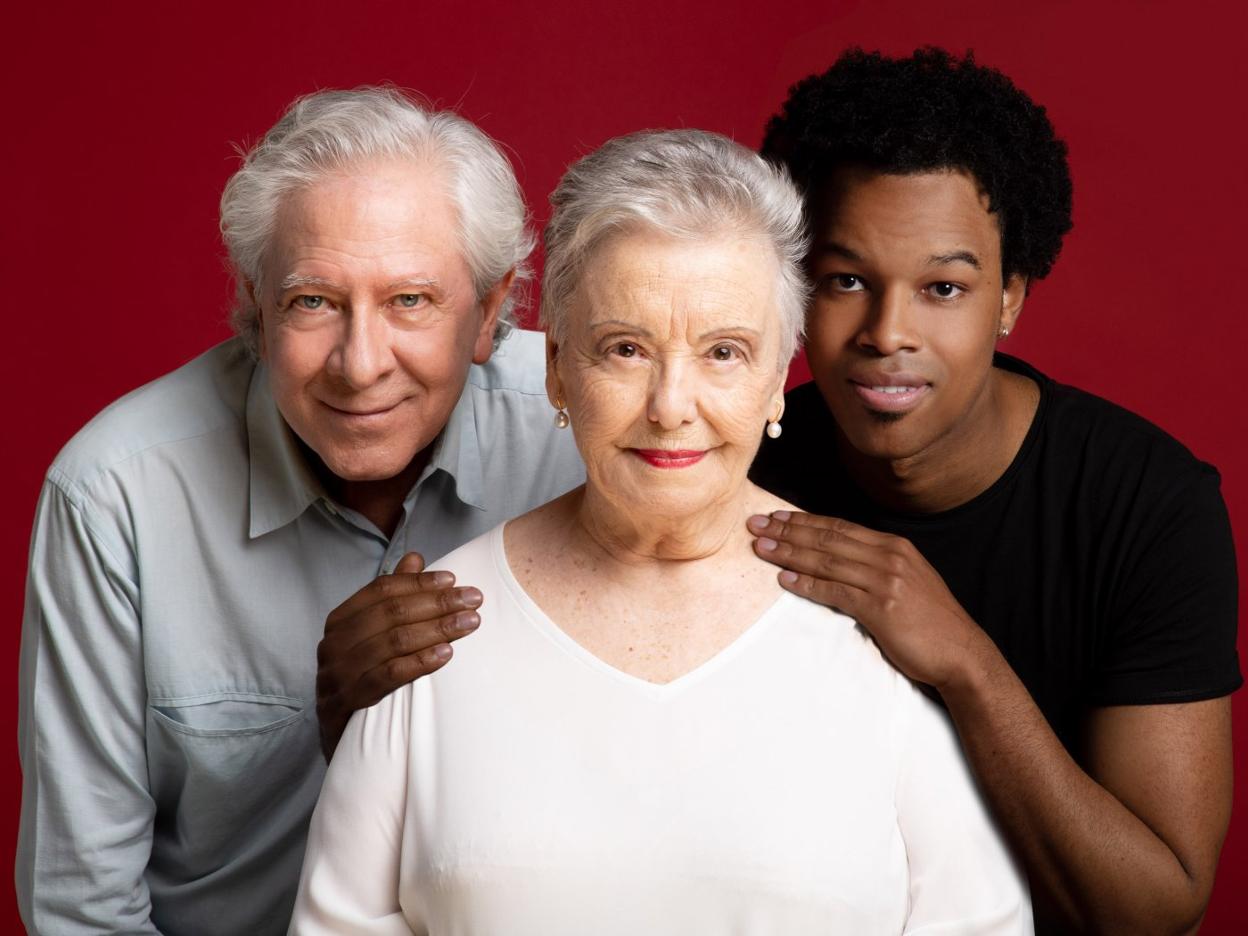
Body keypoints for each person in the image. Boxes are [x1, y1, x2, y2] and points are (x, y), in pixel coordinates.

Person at [287, 129, 1031, 934]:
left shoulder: (879, 637)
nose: (671, 406)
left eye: (724, 352)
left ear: (778, 379)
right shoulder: (433, 639)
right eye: (627, 348)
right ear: (558, 370)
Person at [17, 88, 584, 934]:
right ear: (255, 302)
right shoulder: (115, 497)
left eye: (411, 302)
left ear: (491, 310)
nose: (359, 366)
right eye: (313, 301)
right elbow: (82, 908)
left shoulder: (585, 434)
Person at [748, 48, 1240, 934]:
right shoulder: (743, 471)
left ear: (1009, 296)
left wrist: (965, 663)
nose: (888, 332)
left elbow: (1156, 909)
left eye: (944, 287)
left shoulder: (1151, 508)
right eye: (845, 280)